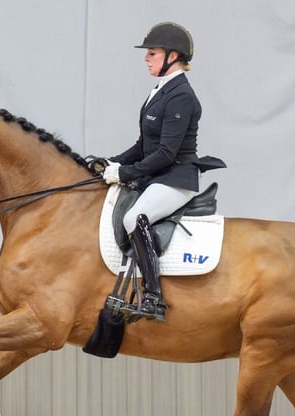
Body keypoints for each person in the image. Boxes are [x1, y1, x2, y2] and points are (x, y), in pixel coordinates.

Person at [103, 22, 210, 322]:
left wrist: (124, 173)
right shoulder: (160, 91)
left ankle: (153, 296)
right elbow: (143, 144)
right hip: (157, 175)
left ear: (172, 56)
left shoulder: (181, 96)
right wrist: (109, 162)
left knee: (134, 219)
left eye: (152, 53)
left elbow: (166, 154)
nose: (146, 58)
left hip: (176, 178)